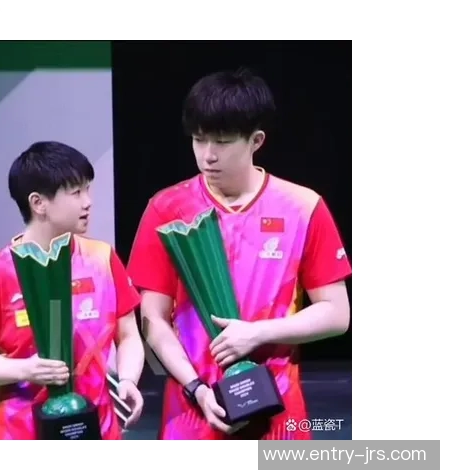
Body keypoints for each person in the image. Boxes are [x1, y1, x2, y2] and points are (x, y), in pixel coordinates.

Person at [127, 68, 352, 440]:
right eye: (199, 140)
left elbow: (337, 314)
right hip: (191, 413)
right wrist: (197, 389)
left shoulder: (302, 207)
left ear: (256, 140)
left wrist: (257, 334)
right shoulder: (165, 208)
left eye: (222, 141)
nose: (208, 155)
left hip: (277, 413)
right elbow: (153, 320)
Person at [0, 141, 145, 440]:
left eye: (88, 189)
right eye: (76, 192)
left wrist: (129, 379)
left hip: (97, 428)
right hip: (20, 433)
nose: (88, 202)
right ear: (38, 203)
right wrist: (26, 370)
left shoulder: (102, 259)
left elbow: (128, 334)